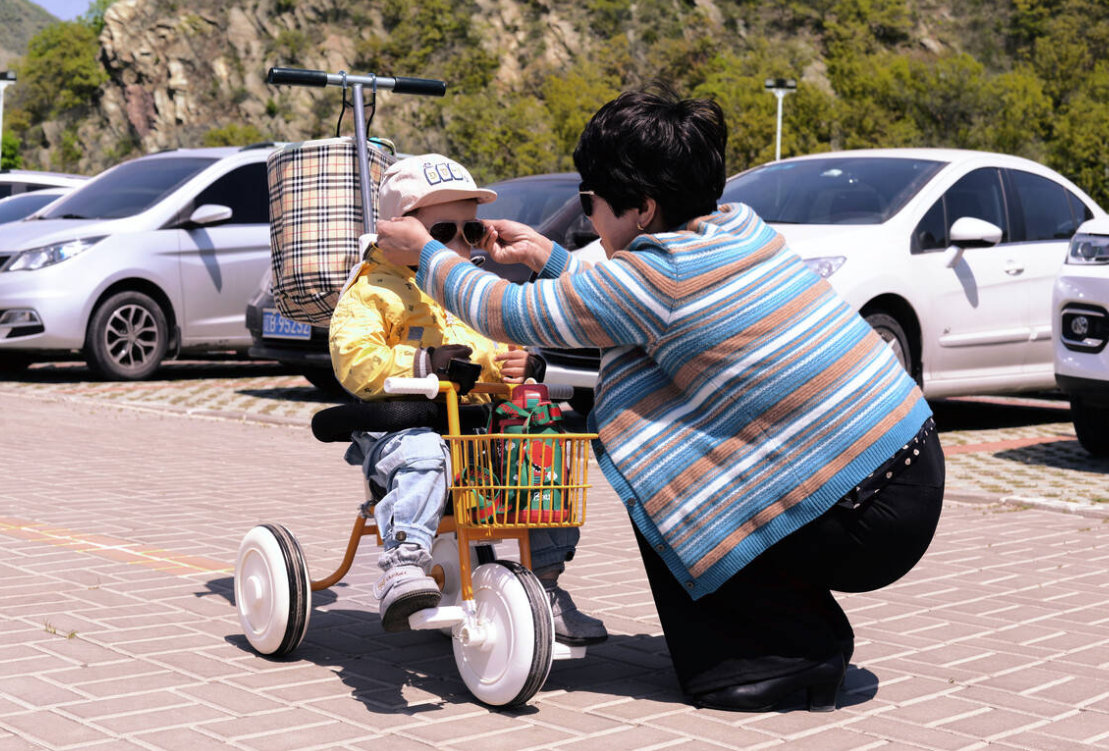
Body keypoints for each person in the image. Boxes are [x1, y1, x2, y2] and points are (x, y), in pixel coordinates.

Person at [373, 88, 944, 712]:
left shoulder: (658, 275)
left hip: (860, 513)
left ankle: (776, 661)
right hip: (903, 474)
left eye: (590, 202)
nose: (588, 216)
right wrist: (548, 257)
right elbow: (633, 307)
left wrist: (424, 253)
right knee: (687, 469)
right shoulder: (737, 230)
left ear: (643, 209)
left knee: (668, 487)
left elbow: (515, 313)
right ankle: (805, 640)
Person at [329, 153, 607, 645]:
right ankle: (404, 562)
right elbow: (354, 361)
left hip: (474, 432)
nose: (458, 245)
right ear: (395, 229)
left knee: (544, 450)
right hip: (404, 425)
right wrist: (423, 365)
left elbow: (497, 346)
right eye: (442, 234)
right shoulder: (370, 292)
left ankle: (543, 585)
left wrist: (525, 363)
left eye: (471, 232)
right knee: (422, 453)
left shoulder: (464, 289)